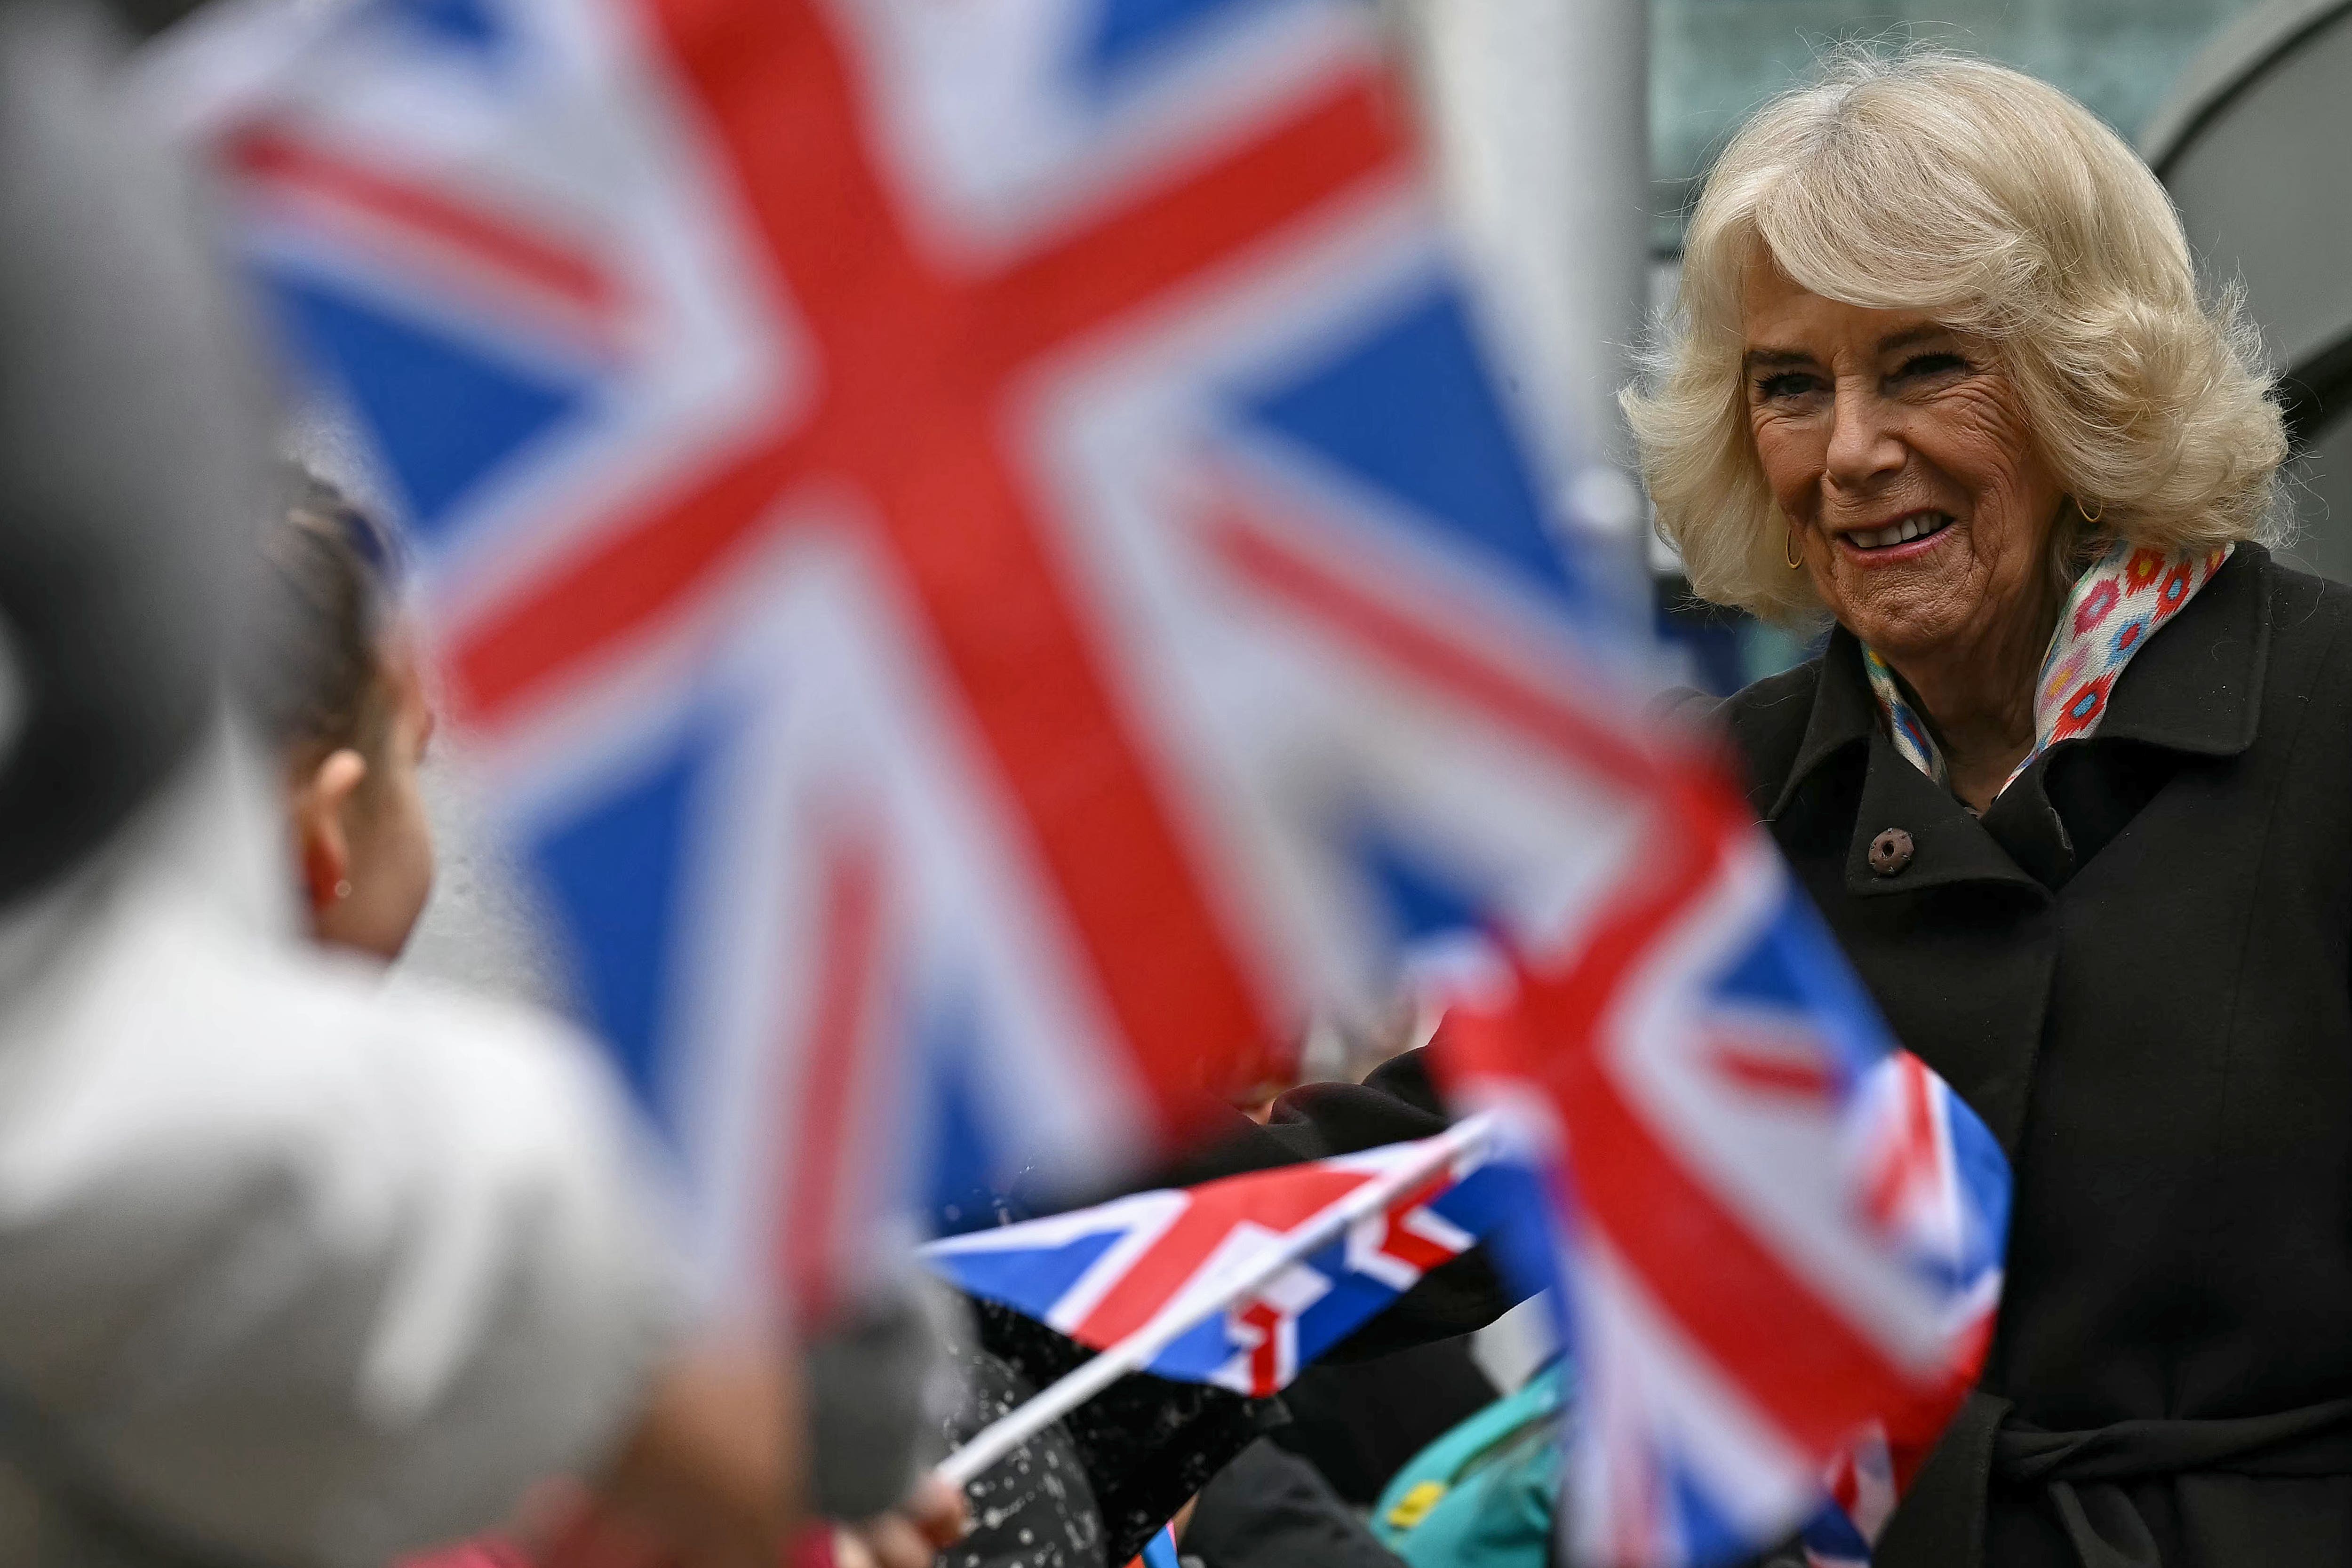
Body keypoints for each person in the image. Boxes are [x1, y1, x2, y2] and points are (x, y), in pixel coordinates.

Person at [1625, 48, 2349, 1568]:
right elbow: (1432, 1169)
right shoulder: (1723, 796)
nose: (1849, 452)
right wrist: (1001, 1283)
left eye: (1925, 364)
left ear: (2094, 376)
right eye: (1788, 387)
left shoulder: (2334, 714)